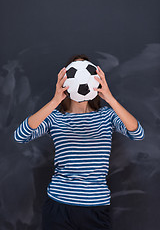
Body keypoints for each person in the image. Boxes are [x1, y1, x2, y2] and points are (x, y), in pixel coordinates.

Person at [14, 54, 145, 230]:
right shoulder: (55, 118)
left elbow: (137, 133)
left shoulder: (107, 116)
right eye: (75, 72)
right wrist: (55, 101)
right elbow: (20, 136)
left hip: (96, 207)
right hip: (59, 205)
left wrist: (110, 99)